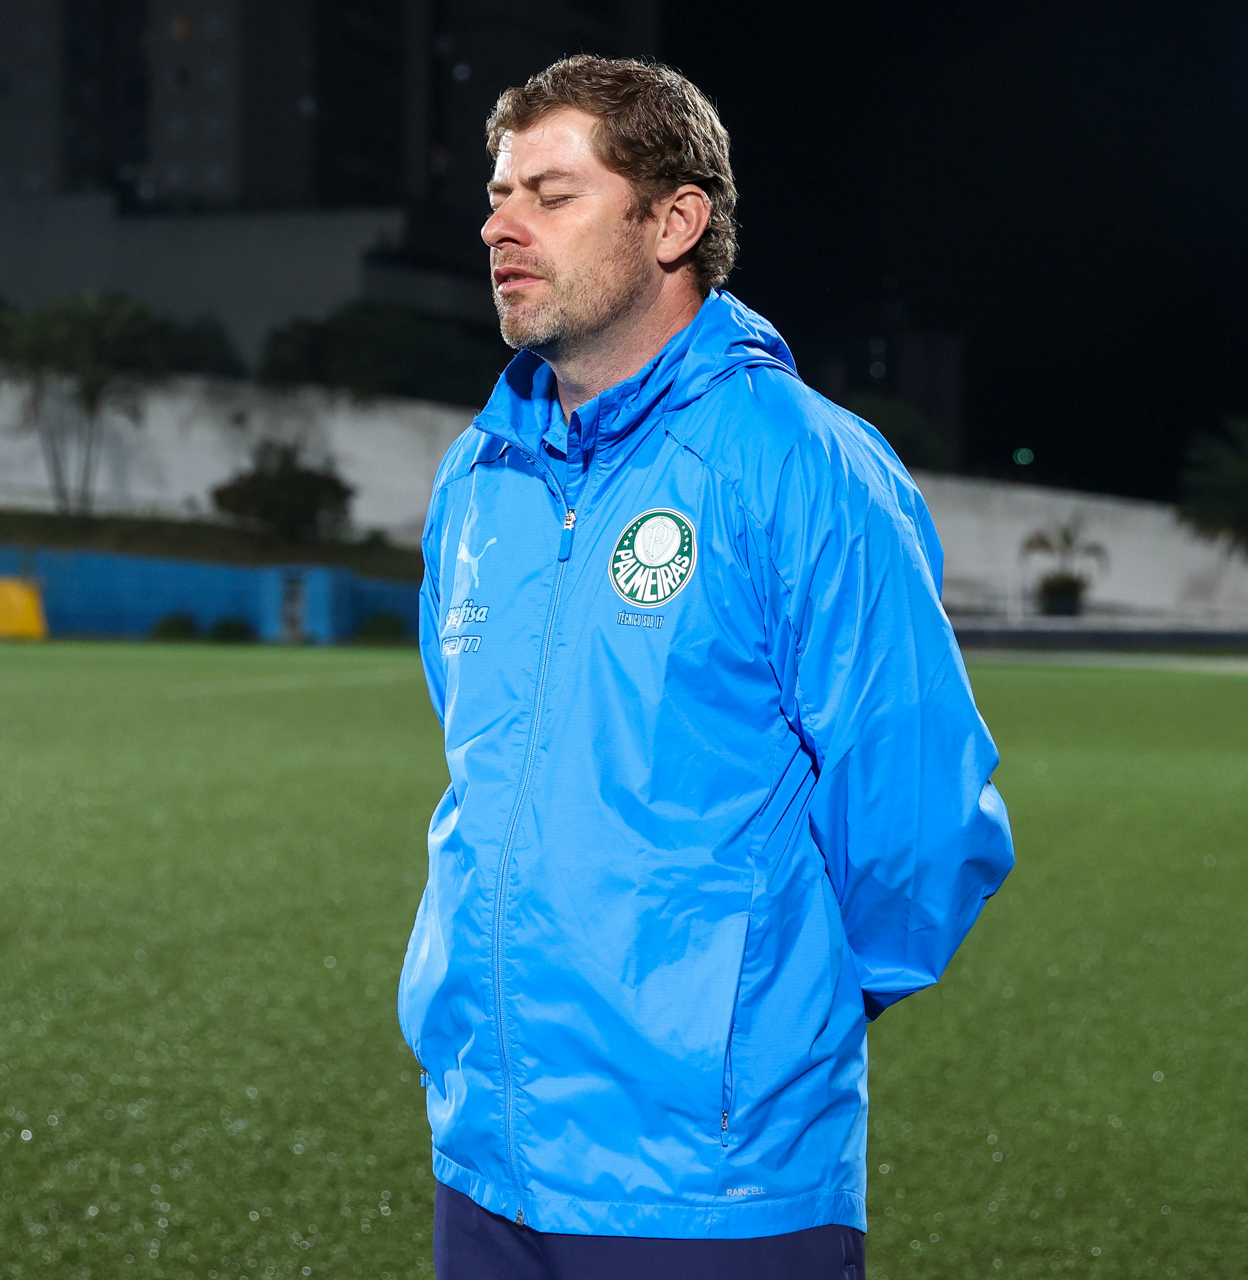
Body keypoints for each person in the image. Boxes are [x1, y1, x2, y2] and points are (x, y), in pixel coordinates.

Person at [400, 55, 1014, 1280]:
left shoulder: (801, 461)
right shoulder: (479, 475)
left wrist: (753, 1018)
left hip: (714, 1186)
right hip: (488, 1155)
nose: (500, 225)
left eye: (552, 194)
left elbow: (920, 817)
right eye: (499, 193)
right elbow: (480, 764)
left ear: (674, 221)